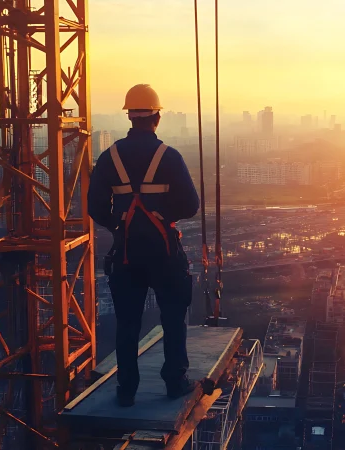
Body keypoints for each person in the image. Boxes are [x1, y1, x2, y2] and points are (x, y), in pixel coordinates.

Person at [88, 84, 200, 407]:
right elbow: (191, 205)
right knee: (174, 315)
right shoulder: (169, 157)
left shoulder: (109, 158)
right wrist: (163, 217)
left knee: (127, 323)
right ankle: (175, 381)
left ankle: (126, 391)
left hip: (126, 253)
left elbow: (96, 207)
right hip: (164, 253)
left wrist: (120, 223)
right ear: (157, 117)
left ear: (129, 117)